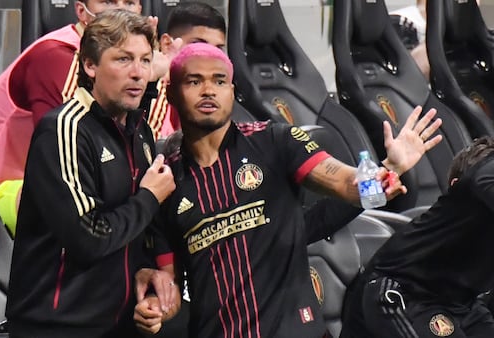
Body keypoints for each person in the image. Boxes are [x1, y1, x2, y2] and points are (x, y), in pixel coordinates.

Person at [133, 43, 443, 337]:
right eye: (194, 81)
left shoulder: (275, 141)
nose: (209, 90)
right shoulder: (165, 182)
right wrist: (155, 309)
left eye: (219, 81)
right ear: (171, 93)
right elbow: (169, 286)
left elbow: (344, 182)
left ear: (233, 90)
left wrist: (390, 168)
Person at [5, 10, 179, 337]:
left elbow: (135, 231)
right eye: (123, 59)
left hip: (119, 325)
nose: (138, 73)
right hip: (57, 328)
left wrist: (149, 277)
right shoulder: (65, 129)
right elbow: (89, 237)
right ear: (90, 65)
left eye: (144, 61)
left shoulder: (138, 130)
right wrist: (149, 197)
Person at [0, 0, 170, 235]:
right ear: (81, 11)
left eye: (129, 2)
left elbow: (146, 145)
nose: (120, 9)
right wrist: (152, 80)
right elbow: (75, 152)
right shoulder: (55, 56)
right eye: (107, 1)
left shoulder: (141, 60)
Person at [340, 136, 494, 338]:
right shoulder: (477, 183)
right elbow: (480, 178)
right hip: (404, 291)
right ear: (456, 187)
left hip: (461, 303)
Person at [148, 1, 227, 140]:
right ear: (167, 44)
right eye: (199, 45)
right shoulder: (151, 92)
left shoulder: (219, 94)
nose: (209, 55)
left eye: (217, 49)